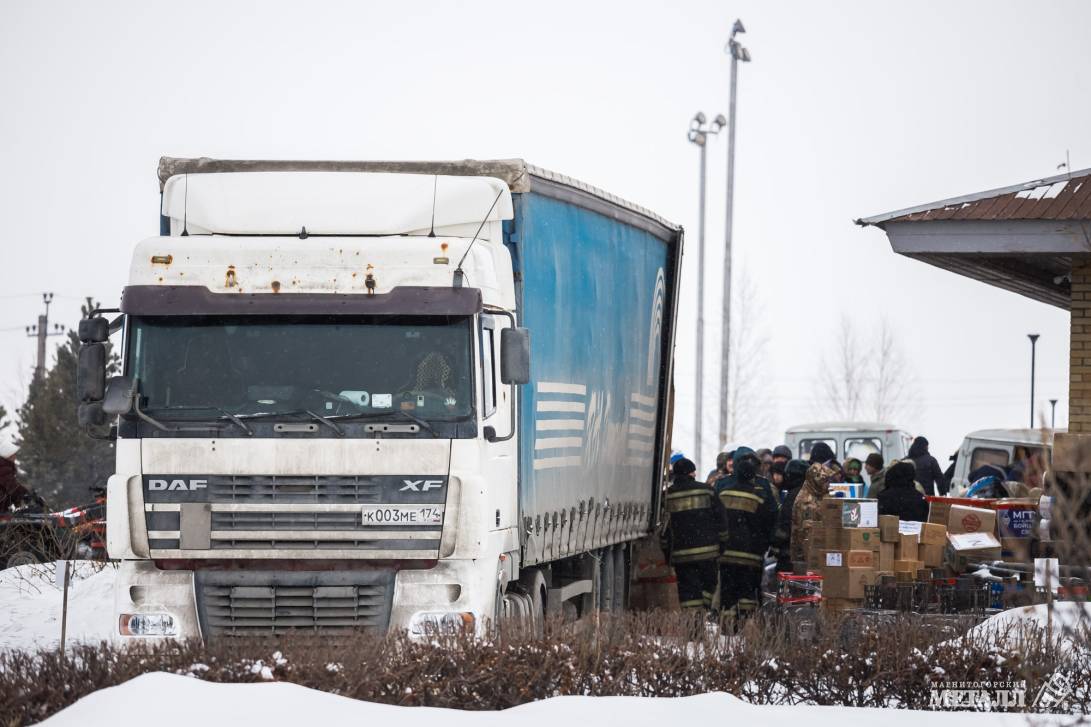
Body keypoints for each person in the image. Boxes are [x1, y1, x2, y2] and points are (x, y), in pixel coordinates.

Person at [714, 447, 779, 624]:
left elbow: (715, 516)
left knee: (728, 592)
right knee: (748, 591)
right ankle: (747, 624)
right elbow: (771, 517)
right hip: (752, 553)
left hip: (727, 553)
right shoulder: (762, 487)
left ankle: (728, 626)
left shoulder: (722, 485)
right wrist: (767, 543)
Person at [661, 458, 724, 612]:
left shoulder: (666, 497)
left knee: (688, 591)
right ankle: (703, 611)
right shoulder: (707, 490)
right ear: (692, 473)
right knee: (708, 585)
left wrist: (667, 552)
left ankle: (692, 622)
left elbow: (663, 530)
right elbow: (721, 519)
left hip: (681, 555)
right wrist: (722, 544)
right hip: (708, 553)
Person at [790, 463, 835, 567]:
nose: (828, 484)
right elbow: (806, 534)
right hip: (806, 557)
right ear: (816, 482)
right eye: (825, 481)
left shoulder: (818, 495)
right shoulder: (806, 502)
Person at [771, 459, 810, 572]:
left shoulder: (793, 496)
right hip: (807, 553)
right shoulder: (811, 494)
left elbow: (785, 524)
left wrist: (775, 543)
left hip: (789, 555)